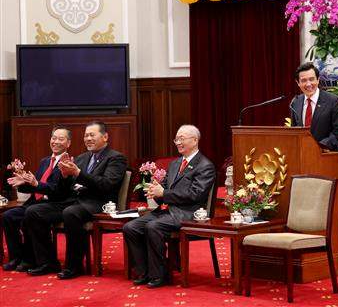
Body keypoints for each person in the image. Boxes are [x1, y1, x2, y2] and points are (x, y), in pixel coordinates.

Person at [24, 121, 127, 278]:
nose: (88, 139)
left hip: (98, 202)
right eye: (86, 136)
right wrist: (65, 176)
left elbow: (106, 184)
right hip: (73, 201)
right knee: (34, 211)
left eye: (92, 135)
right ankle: (47, 262)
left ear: (105, 137)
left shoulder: (116, 158)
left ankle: (74, 266)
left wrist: (78, 173)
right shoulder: (81, 158)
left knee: (71, 213)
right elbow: (63, 190)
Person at [123, 124, 216, 288]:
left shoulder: (205, 165)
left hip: (188, 213)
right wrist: (154, 192)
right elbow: (164, 189)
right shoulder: (174, 164)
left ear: (195, 140)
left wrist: (163, 193)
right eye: (176, 139)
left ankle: (159, 274)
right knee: (131, 227)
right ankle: (144, 271)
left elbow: (196, 195)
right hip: (167, 211)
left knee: (153, 226)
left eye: (182, 139)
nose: (178, 142)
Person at [289, 62, 338, 264]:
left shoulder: (333, 101)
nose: (308, 84)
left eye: (311, 79)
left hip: (328, 162)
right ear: (298, 83)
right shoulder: (296, 103)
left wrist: (316, 148)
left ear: (318, 80)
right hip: (304, 165)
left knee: (335, 209)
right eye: (304, 80)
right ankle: (311, 254)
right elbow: (295, 133)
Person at [2, 126, 72, 272]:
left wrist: (36, 184)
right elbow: (36, 187)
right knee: (8, 216)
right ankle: (17, 257)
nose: (55, 141)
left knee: (31, 214)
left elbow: (59, 191)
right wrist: (23, 182)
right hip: (36, 202)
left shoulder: (69, 163)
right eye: (53, 138)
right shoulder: (45, 161)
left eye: (60, 139)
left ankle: (31, 259)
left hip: (55, 203)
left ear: (68, 143)